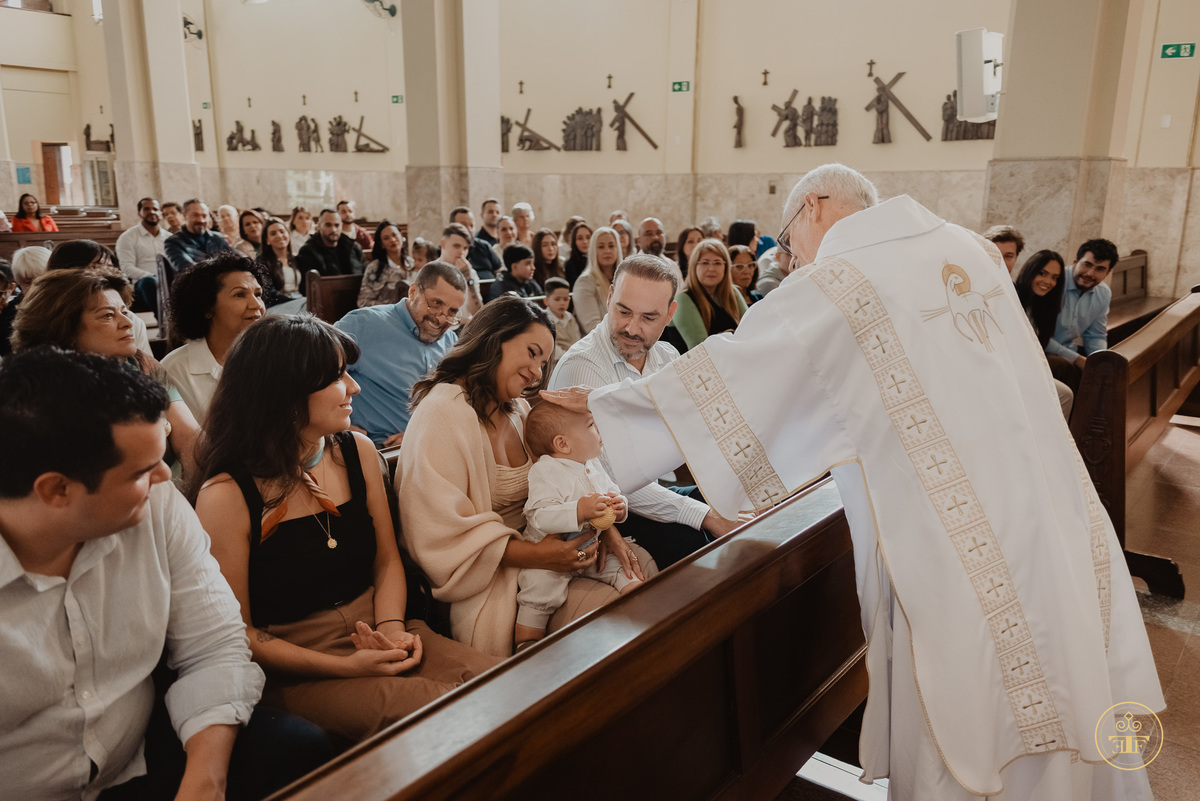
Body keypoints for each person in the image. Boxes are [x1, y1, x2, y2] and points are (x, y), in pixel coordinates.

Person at [561, 164, 1161, 801]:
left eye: (790, 243)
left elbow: (738, 374)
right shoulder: (968, 249)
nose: (792, 262)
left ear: (814, 207)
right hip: (1043, 513)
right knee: (1060, 667)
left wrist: (596, 415)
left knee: (979, 701)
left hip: (956, 545)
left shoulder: (844, 278)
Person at [0, 347, 330, 801]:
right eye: (142, 470)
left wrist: (204, 782)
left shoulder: (157, 504)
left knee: (297, 748)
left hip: (133, 756)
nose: (164, 477)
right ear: (57, 489)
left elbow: (213, 644)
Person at [193, 316, 499, 744]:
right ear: (285, 393)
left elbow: (387, 559)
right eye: (338, 377)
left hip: (381, 625)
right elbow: (240, 633)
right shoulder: (226, 494)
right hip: (299, 665)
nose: (354, 388)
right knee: (447, 716)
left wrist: (392, 628)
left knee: (502, 687)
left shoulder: (356, 450)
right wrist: (347, 666)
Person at [398, 297, 634, 657]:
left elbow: (567, 479)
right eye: (532, 352)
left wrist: (609, 531)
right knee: (613, 618)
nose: (537, 372)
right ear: (495, 338)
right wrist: (540, 557)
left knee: (643, 574)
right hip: (493, 575)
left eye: (544, 362)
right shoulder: (442, 413)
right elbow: (437, 532)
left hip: (555, 546)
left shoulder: (519, 411)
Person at [548, 255, 739, 568]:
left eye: (649, 318)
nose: (632, 328)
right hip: (601, 511)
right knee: (696, 545)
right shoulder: (582, 368)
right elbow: (610, 481)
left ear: (669, 314)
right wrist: (705, 516)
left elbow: (689, 433)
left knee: (734, 502)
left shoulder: (666, 356)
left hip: (654, 490)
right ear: (609, 298)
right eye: (623, 311)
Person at [12, 266, 202, 477]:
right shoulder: (40, 390)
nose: (127, 323)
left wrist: (200, 492)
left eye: (125, 312)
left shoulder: (141, 363)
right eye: (108, 315)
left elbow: (189, 438)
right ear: (64, 328)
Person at [515, 401, 653, 648]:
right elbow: (539, 516)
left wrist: (619, 505)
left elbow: (613, 491)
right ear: (562, 444)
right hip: (549, 555)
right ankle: (526, 640)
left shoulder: (591, 463)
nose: (599, 428)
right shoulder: (546, 471)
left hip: (592, 549)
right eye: (591, 424)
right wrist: (578, 510)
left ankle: (639, 602)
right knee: (539, 590)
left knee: (623, 569)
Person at [335, 261, 468, 447]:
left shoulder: (450, 342)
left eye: (451, 311)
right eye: (436, 304)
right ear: (413, 292)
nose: (440, 318)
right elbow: (312, 378)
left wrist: (419, 437)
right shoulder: (362, 325)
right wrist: (334, 428)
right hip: (374, 451)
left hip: (428, 447)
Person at [162, 252, 266, 425]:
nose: (256, 305)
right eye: (240, 295)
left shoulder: (272, 356)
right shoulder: (174, 370)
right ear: (207, 308)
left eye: (258, 294)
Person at [47, 239, 155, 356]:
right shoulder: (50, 320)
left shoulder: (131, 321)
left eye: (109, 267)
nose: (107, 274)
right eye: (96, 267)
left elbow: (148, 369)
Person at [1013, 249, 1074, 418]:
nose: (1048, 281)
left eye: (1054, 278)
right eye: (1042, 273)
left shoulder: (1042, 307)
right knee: (1064, 395)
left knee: (1065, 388)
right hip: (1009, 367)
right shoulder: (1013, 297)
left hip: (1027, 367)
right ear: (1030, 271)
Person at [1047, 238, 1118, 374]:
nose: (1090, 273)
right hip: (1041, 351)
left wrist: (1099, 362)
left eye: (1100, 269)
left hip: (1069, 352)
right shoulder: (1053, 282)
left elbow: (1096, 335)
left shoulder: (1103, 293)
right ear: (1075, 261)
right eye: (1087, 265)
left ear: (1107, 273)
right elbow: (1037, 336)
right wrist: (1077, 359)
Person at [671, 238, 748, 351]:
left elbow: (751, 331)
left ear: (726, 267)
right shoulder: (683, 300)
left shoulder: (733, 293)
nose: (711, 268)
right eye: (705, 262)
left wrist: (722, 338)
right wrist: (733, 335)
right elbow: (701, 351)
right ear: (694, 266)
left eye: (717, 263)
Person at [114, 197, 168, 313]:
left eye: (155, 209)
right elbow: (127, 268)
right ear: (140, 213)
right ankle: (166, 325)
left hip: (168, 282)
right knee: (149, 282)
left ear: (161, 213)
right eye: (147, 209)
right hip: (142, 285)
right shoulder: (128, 237)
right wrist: (153, 276)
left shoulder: (170, 238)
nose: (152, 212)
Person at [164, 198, 235, 275]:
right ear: (184, 216)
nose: (201, 220)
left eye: (204, 216)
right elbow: (187, 269)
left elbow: (237, 259)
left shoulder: (218, 238)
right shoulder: (173, 242)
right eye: (195, 215)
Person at [572, 225, 622, 333]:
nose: (607, 251)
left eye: (611, 245)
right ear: (593, 251)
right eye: (601, 247)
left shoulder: (624, 280)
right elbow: (593, 327)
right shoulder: (584, 282)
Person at [296, 208, 367, 280]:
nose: (333, 230)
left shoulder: (353, 247)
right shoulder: (308, 251)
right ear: (319, 226)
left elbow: (364, 275)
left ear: (341, 225)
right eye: (328, 225)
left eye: (337, 225)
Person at [357, 220, 410, 308]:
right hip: (387, 315)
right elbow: (363, 302)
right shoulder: (375, 268)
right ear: (382, 244)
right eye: (386, 238)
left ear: (401, 236)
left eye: (394, 235)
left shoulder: (413, 263)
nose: (392, 240)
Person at [440, 223, 484, 319]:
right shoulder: (430, 270)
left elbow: (477, 312)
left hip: (466, 329)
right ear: (443, 244)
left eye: (465, 248)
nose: (462, 252)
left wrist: (468, 278)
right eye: (456, 246)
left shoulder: (470, 273)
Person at [259, 217, 305, 308]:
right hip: (277, 305)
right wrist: (297, 300)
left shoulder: (297, 259)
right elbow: (268, 294)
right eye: (273, 233)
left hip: (300, 301)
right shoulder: (262, 263)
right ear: (267, 240)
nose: (279, 236)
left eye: (282, 231)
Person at [450, 206, 500, 281]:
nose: (469, 229)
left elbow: (499, 272)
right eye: (464, 225)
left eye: (471, 225)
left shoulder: (484, 246)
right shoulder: (446, 251)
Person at [544, 277, 582, 358]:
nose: (562, 303)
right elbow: (553, 350)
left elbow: (577, 340)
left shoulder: (570, 317)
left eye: (565, 299)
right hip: (557, 361)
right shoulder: (545, 320)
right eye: (557, 299)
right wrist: (570, 356)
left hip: (575, 356)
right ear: (546, 301)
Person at [563, 222, 592, 287]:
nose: (585, 241)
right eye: (580, 238)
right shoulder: (570, 265)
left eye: (588, 237)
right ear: (574, 241)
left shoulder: (599, 261)